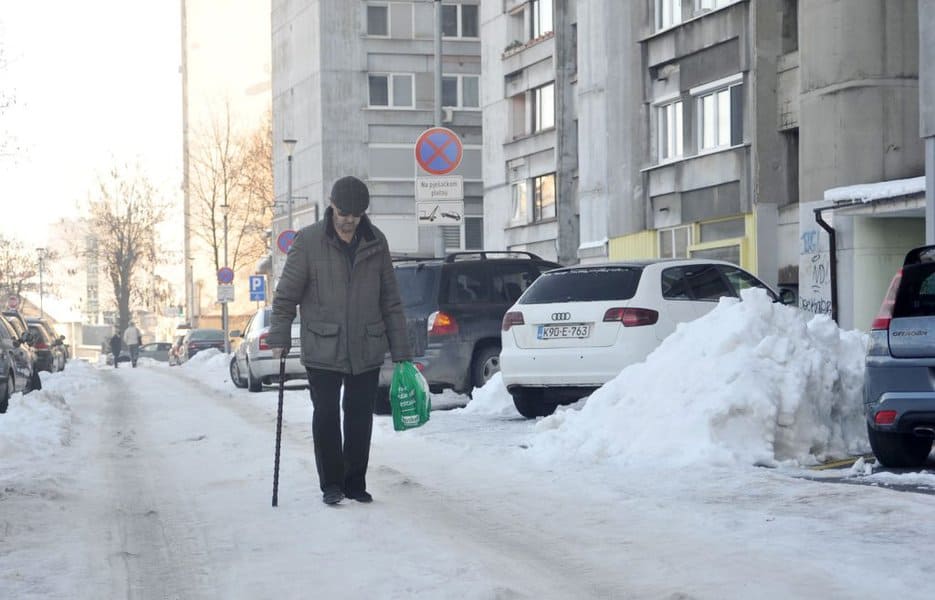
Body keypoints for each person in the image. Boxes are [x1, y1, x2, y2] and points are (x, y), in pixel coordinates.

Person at [268, 175, 412, 506]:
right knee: (327, 415)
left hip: (366, 343)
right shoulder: (308, 242)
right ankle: (331, 484)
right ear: (332, 206)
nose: (349, 221)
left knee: (360, 416)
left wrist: (401, 350)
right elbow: (286, 295)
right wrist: (279, 335)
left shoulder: (377, 241)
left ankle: (355, 482)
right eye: (344, 213)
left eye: (356, 215)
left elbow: (390, 299)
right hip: (323, 344)